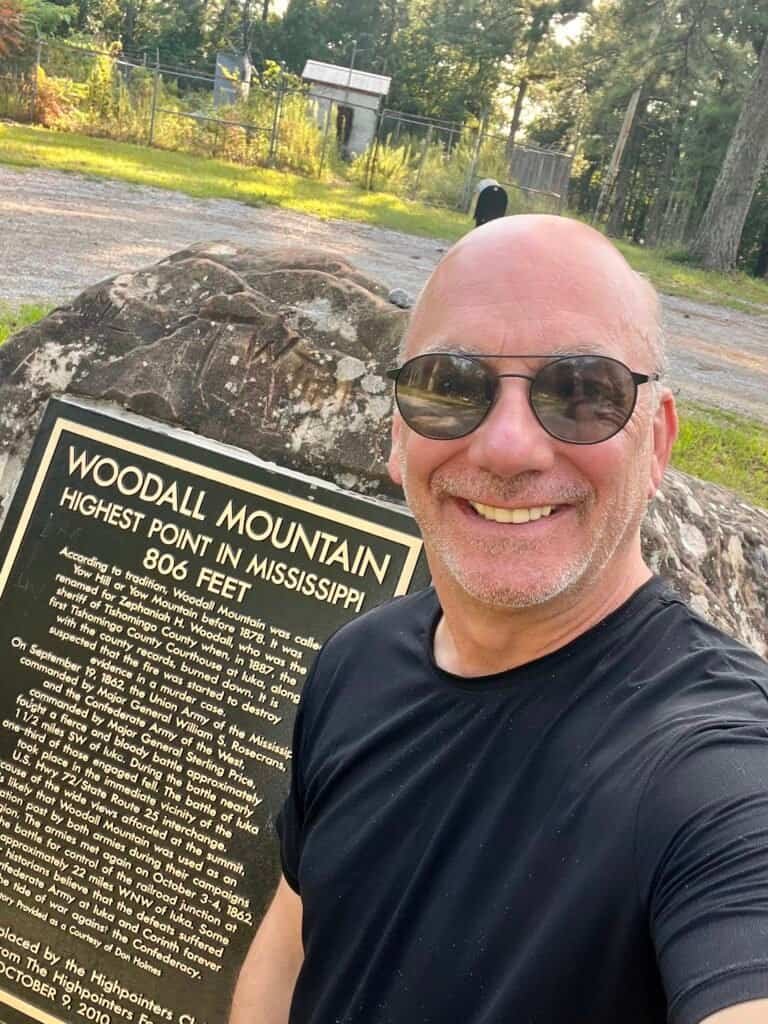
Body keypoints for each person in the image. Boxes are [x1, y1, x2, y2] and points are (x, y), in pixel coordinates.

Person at [229, 215, 768, 1024]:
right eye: (450, 385)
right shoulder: (356, 661)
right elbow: (291, 946)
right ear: (397, 435)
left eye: (583, 392)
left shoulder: (719, 771)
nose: (508, 446)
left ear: (656, 443)